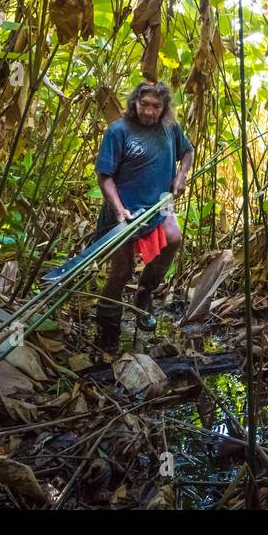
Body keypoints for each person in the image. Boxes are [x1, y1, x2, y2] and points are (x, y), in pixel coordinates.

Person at [93, 80, 194, 351]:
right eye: (144, 105)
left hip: (160, 204)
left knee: (173, 239)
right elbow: (105, 178)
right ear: (134, 103)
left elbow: (188, 152)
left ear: (164, 108)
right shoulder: (118, 131)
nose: (149, 112)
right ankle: (107, 328)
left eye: (156, 107)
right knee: (122, 271)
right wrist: (118, 209)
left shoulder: (170, 128)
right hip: (125, 209)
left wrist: (181, 177)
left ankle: (145, 294)